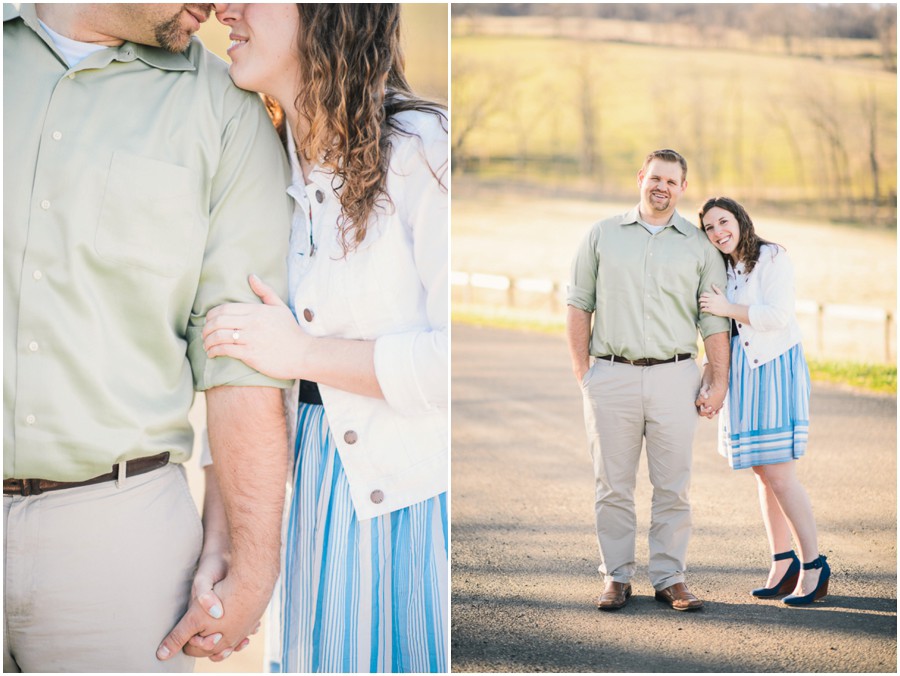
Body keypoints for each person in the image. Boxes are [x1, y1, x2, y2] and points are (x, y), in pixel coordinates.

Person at [4, 3, 295, 671]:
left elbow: (240, 360)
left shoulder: (226, 109)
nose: (219, 4)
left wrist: (251, 566)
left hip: (119, 538)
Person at [160, 4, 449, 672]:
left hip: (415, 507)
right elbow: (237, 364)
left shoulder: (422, 148)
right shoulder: (263, 164)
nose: (223, 9)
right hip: (314, 499)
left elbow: (450, 359)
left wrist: (303, 355)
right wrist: (222, 546)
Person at [565, 149, 730, 612]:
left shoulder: (699, 246)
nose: (662, 187)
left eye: (672, 182)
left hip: (676, 376)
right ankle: (616, 577)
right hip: (610, 375)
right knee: (612, 484)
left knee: (673, 485)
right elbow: (579, 304)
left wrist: (718, 382)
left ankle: (670, 577)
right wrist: (584, 371)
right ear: (641, 177)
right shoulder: (601, 235)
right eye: (655, 177)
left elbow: (714, 323)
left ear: (682, 189)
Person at [698, 196, 830, 605]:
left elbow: (777, 316)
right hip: (743, 373)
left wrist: (727, 307)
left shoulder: (771, 257)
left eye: (723, 222)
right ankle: (782, 562)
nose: (718, 232)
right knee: (761, 472)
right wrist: (709, 379)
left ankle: (814, 565)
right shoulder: (723, 267)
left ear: (739, 219)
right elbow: (723, 333)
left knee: (780, 474)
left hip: (774, 369)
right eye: (709, 228)